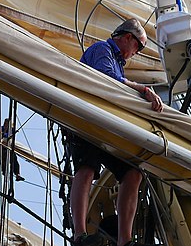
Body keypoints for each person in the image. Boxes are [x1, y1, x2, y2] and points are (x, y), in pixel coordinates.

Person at [69, 18, 163, 246]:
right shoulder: (102, 49)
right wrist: (144, 89)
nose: (136, 53)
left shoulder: (118, 63)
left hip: (107, 127)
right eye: (138, 46)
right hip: (86, 118)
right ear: (128, 37)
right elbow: (108, 79)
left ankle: (125, 241)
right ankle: (79, 235)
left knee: (132, 173)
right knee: (87, 168)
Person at [0, 117, 23, 182]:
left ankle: (17, 174)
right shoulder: (0, 128)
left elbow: (11, 135)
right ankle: (5, 173)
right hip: (0, 146)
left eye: (7, 123)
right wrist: (3, 132)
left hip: (9, 146)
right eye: (5, 123)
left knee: (14, 160)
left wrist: (10, 132)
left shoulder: (11, 130)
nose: (5, 124)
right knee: (3, 161)